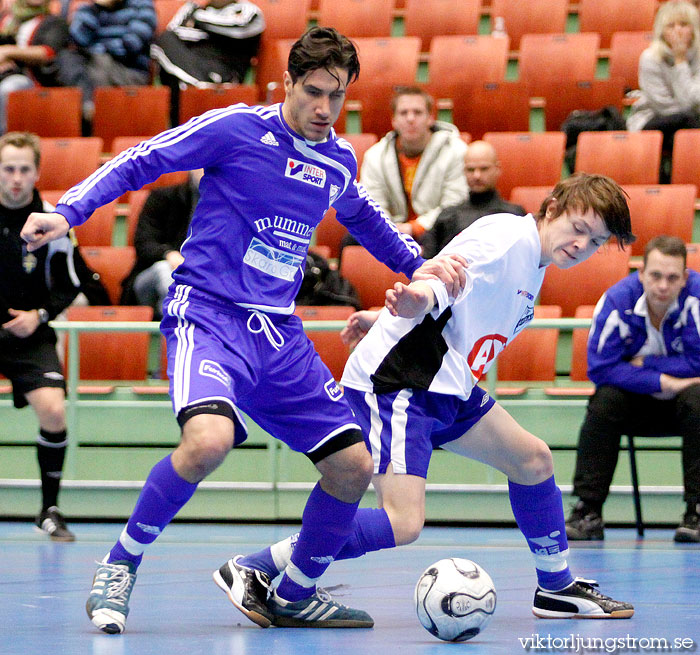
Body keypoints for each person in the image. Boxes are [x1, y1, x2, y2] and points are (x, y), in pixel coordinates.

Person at [20, 26, 464, 634]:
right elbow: (144, 159)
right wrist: (68, 210)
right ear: (287, 83)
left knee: (353, 468)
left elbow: (367, 218)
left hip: (277, 333)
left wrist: (420, 264)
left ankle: (296, 592)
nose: (323, 109)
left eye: (336, 97)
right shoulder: (236, 129)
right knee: (208, 441)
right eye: (312, 92)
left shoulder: (337, 158)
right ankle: (119, 565)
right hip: (206, 313)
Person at [226, 173, 638, 625]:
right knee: (402, 521)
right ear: (554, 207)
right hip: (403, 384)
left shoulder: (534, 261)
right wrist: (412, 303)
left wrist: (387, 317)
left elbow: (459, 307)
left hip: (448, 384)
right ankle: (269, 572)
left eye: (596, 242)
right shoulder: (505, 239)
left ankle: (556, 589)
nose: (582, 245)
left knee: (533, 460)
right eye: (579, 229)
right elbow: (441, 280)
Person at [566, 235, 700, 543]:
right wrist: (662, 381)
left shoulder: (698, 299)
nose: (662, 286)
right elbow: (599, 368)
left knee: (698, 400)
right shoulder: (617, 301)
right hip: (635, 403)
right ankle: (588, 510)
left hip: (688, 404)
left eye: (672, 277)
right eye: (655, 276)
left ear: (684, 279)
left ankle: (696, 513)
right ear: (640, 274)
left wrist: (647, 363)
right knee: (605, 401)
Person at [0, 131, 80, 541]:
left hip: (31, 333)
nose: (16, 177)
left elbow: (70, 283)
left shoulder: (51, 221)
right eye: (8, 168)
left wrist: (40, 315)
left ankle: (49, 509)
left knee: (54, 412)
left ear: (36, 173)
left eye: (24, 169)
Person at [353, 85, 467, 241]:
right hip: (390, 232)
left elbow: (454, 204)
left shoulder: (456, 151)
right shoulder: (375, 156)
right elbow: (372, 203)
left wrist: (414, 228)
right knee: (352, 239)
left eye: (418, 112)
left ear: (430, 118)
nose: (410, 119)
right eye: (403, 113)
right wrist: (389, 230)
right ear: (394, 120)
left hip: (437, 230)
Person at [151, 0, 264, 126]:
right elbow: (175, 33)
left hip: (226, 76)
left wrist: (198, 19)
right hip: (187, 71)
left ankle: (200, 88)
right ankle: (198, 86)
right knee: (164, 41)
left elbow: (240, 28)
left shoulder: (248, 10)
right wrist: (210, 34)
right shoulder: (191, 7)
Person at [626, 0, 700, 182]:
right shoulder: (650, 58)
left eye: (684, 25)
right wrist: (680, 60)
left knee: (685, 135)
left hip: (691, 122)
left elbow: (695, 99)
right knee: (688, 122)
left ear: (694, 29)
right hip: (653, 119)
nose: (678, 30)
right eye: (671, 25)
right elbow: (663, 106)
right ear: (661, 31)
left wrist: (680, 61)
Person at [421, 140, 527, 258]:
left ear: (497, 169)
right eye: (471, 169)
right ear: (463, 171)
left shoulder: (515, 216)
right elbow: (427, 265)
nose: (477, 176)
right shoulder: (447, 217)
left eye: (484, 169)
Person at [120, 169, 203, 318]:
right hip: (154, 275)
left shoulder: (228, 206)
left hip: (203, 277)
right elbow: (144, 243)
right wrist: (168, 254)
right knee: (167, 272)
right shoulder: (163, 198)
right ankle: (179, 333)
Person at [56, 0, 156, 121]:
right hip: (94, 67)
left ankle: (97, 116)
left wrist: (97, 50)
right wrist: (96, 9)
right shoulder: (89, 8)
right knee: (66, 57)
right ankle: (88, 106)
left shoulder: (142, 6)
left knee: (101, 61)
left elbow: (132, 44)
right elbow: (77, 39)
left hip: (129, 71)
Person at [0, 0, 70, 133]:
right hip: (5, 73)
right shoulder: (8, 21)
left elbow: (48, 52)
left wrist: (8, 52)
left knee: (10, 87)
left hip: (34, 80)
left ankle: (3, 141)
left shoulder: (53, 22)